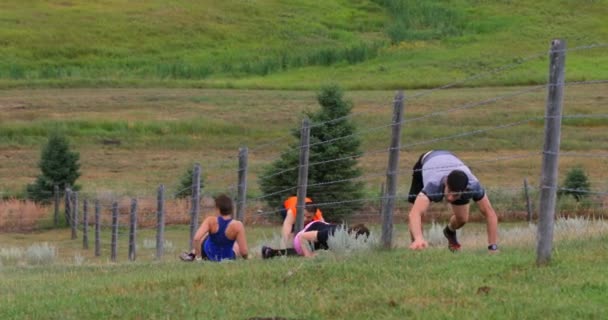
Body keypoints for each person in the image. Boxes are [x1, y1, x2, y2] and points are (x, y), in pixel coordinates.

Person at [406, 150, 499, 252]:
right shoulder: (433, 184)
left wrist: (492, 247)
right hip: (426, 162)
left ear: (464, 191)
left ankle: (449, 231)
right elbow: (414, 213)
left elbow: (490, 214)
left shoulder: (473, 186)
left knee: (462, 219)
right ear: (446, 183)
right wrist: (419, 238)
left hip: (450, 159)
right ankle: (417, 246)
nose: (450, 198)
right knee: (418, 212)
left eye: (455, 195)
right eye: (449, 191)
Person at [263, 205, 370, 259]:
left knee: (318, 251)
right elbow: (303, 237)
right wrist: (308, 256)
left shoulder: (343, 235)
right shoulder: (330, 235)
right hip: (303, 235)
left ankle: (271, 252)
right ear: (353, 237)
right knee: (306, 252)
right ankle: (275, 252)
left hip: (318, 228)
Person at [180, 194, 248, 262]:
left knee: (206, 235)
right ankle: (193, 254)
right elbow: (244, 252)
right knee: (235, 245)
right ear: (231, 209)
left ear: (217, 209)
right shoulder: (238, 225)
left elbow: (196, 238)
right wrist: (246, 258)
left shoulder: (210, 221)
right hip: (227, 258)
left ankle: (192, 254)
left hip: (207, 255)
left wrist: (199, 257)